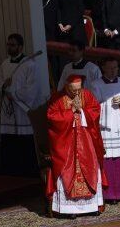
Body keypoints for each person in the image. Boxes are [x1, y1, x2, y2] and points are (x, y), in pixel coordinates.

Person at [45, 74, 105, 216]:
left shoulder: (87, 95)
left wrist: (82, 111)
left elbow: (96, 111)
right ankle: (69, 209)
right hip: (66, 144)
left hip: (86, 143)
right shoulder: (57, 99)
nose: (77, 93)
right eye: (73, 90)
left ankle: (91, 207)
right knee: (68, 168)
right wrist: (71, 112)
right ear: (66, 87)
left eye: (79, 89)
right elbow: (51, 117)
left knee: (90, 166)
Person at [0, 33, 47, 177]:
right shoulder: (5, 63)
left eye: (13, 45)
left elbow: (31, 91)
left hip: (22, 112)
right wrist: (3, 86)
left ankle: (27, 174)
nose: (9, 47)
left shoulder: (30, 65)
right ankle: (10, 172)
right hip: (8, 112)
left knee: (24, 144)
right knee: (9, 143)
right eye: (8, 45)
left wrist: (13, 93)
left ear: (21, 47)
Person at [89, 58, 120, 203]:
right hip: (106, 130)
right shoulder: (95, 85)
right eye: (110, 68)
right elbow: (92, 108)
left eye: (115, 68)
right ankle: (109, 194)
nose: (113, 71)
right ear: (103, 68)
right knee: (108, 161)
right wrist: (107, 105)